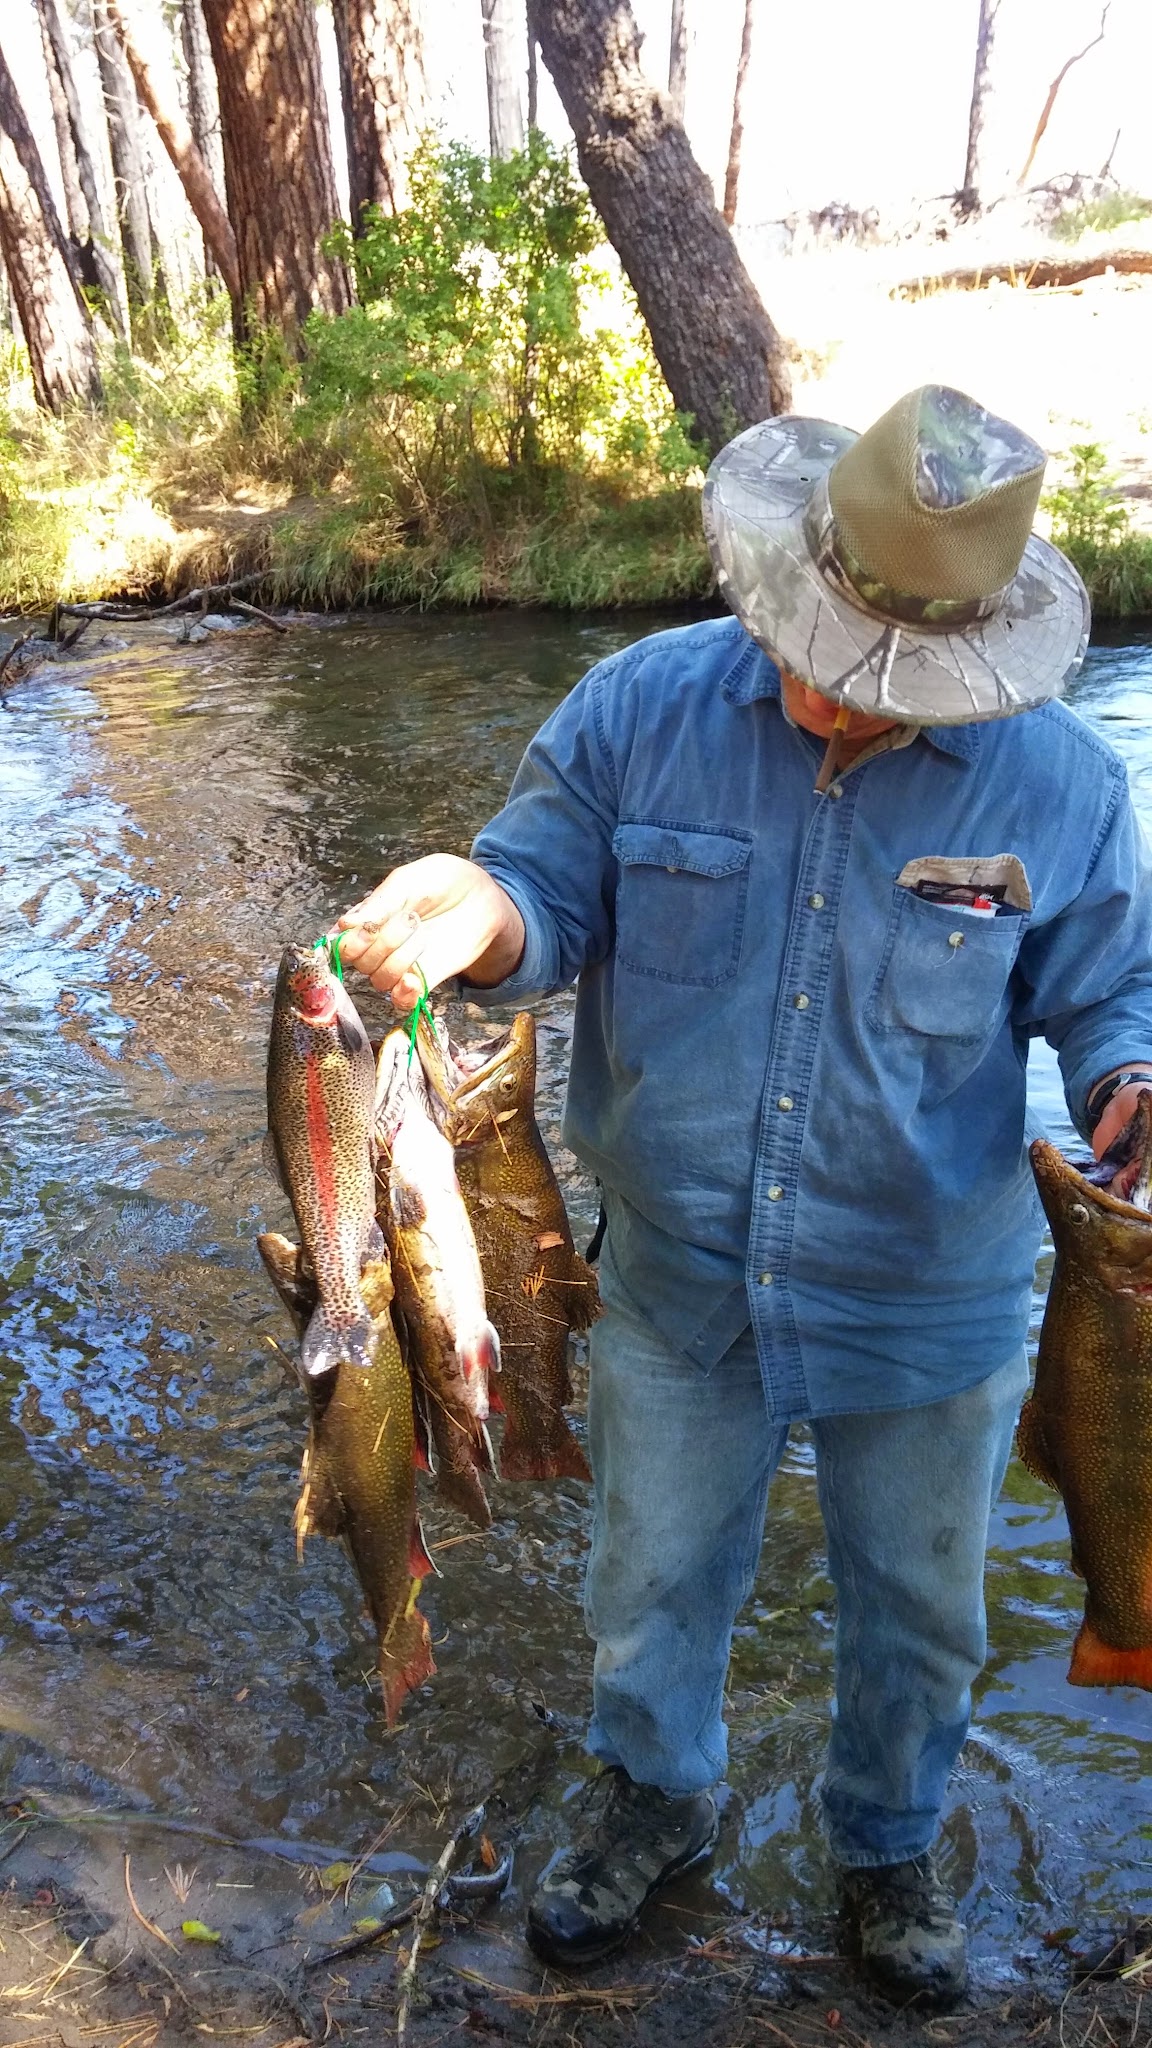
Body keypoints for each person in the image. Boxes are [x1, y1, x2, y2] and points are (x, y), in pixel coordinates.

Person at [337, 386, 1152, 2006]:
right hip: (676, 1279)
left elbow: (1113, 1002)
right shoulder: (638, 707)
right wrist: (470, 908)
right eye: (826, 645)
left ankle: (887, 1842)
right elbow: (539, 896)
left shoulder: (1061, 785)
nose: (839, 699)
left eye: (891, 684)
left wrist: (1139, 1091)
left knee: (922, 1613)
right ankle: (656, 1798)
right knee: (647, 1582)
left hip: (936, 1298)